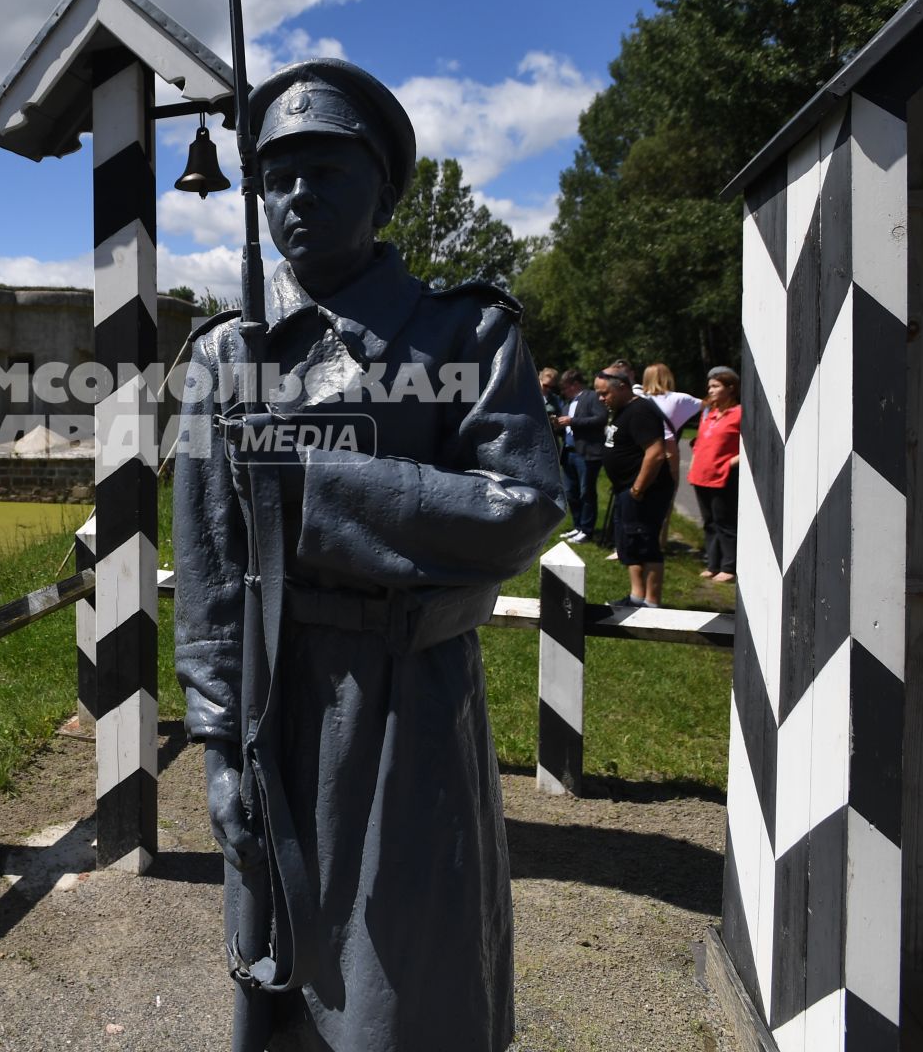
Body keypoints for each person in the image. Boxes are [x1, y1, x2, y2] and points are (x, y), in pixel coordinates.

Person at [174, 57, 563, 1052]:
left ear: (383, 188)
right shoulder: (225, 359)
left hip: (414, 705)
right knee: (283, 966)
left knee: (412, 975)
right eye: (277, 175)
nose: (296, 196)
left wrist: (312, 477)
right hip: (276, 702)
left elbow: (521, 505)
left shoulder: (463, 333)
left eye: (327, 171)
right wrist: (219, 744)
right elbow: (212, 574)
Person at [598, 368, 673, 607]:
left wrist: (638, 489)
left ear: (621, 387)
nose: (601, 399)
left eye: (604, 393)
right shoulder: (622, 410)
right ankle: (636, 596)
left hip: (644, 492)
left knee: (645, 542)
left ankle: (651, 602)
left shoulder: (641, 411)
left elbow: (656, 453)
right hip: (626, 490)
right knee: (630, 542)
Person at [688, 365, 741, 582]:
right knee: (709, 522)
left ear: (730, 388)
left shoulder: (738, 413)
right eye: (709, 386)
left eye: (716, 386)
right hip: (702, 475)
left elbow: (751, 447)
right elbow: (700, 442)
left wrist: (730, 463)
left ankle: (729, 567)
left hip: (723, 477)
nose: (710, 390)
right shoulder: (708, 413)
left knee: (725, 522)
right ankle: (713, 564)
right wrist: (693, 465)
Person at [640, 363, 702, 547]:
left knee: (641, 493)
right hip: (668, 450)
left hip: (643, 450)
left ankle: (641, 538)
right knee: (666, 498)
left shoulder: (638, 398)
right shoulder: (680, 399)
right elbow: (711, 405)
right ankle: (660, 541)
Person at [557, 369, 604, 540]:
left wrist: (572, 421)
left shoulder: (592, 397)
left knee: (587, 493)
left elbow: (600, 419)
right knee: (571, 492)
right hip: (569, 453)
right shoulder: (567, 404)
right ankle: (577, 526)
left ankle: (587, 529)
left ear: (575, 384)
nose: (564, 391)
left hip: (587, 453)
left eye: (566, 387)